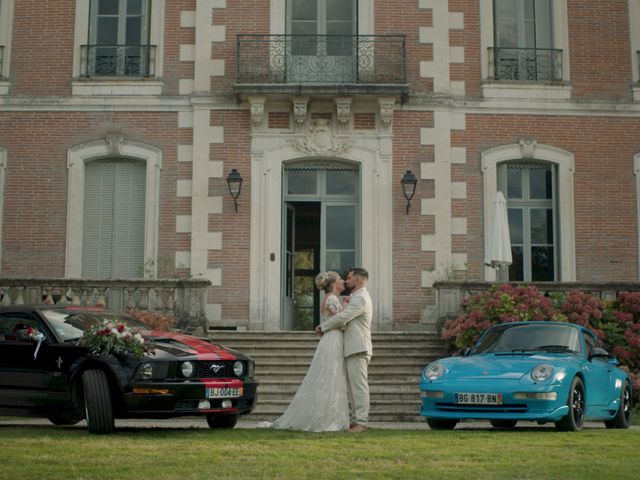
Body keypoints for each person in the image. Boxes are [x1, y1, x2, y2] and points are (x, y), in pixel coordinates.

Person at [257, 271, 349, 432]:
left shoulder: (329, 298)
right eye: (341, 280)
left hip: (330, 339)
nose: (343, 282)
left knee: (329, 376)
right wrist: (347, 307)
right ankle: (327, 418)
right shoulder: (333, 298)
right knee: (330, 376)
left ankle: (327, 415)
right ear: (334, 284)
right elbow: (340, 321)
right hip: (333, 339)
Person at [315, 267, 372, 433]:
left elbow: (343, 317)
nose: (346, 281)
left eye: (349, 278)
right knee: (354, 387)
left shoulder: (361, 298)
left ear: (358, 279)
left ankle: (361, 422)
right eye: (344, 278)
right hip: (351, 347)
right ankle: (356, 421)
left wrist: (322, 326)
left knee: (359, 387)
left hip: (358, 347)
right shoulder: (355, 297)